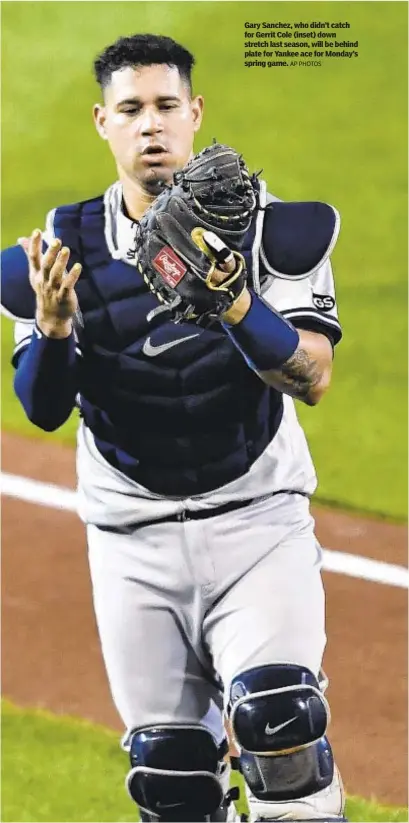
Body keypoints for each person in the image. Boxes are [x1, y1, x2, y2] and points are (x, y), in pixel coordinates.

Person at [1, 33, 347, 823]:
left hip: (257, 527)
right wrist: (52, 329)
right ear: (102, 122)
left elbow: (312, 375)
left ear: (193, 114)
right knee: (171, 778)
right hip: (132, 544)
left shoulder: (269, 233)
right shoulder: (59, 249)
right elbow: (45, 409)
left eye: (164, 106)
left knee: (280, 722)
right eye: (130, 109)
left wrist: (229, 300)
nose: (149, 125)